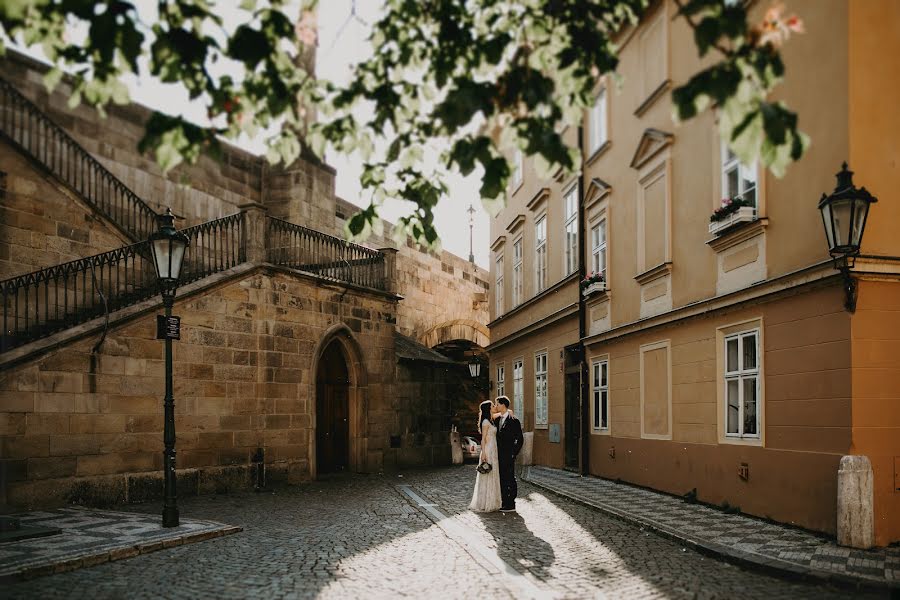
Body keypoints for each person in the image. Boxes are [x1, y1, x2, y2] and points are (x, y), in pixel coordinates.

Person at [469, 399, 501, 512]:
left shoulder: (491, 419)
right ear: (488, 409)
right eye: (492, 406)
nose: (494, 407)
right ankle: (485, 502)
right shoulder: (486, 422)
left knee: (493, 473)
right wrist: (484, 453)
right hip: (488, 449)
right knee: (487, 474)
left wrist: (508, 412)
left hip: (494, 449)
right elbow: (482, 439)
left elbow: (501, 413)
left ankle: (493, 500)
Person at [493, 396, 524, 512]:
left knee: (510, 478)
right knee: (502, 478)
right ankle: (504, 501)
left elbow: (520, 439)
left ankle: (511, 502)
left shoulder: (514, 420)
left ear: (503, 405)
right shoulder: (497, 420)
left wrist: (514, 453)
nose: (496, 406)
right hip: (498, 455)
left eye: (497, 404)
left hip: (509, 455)